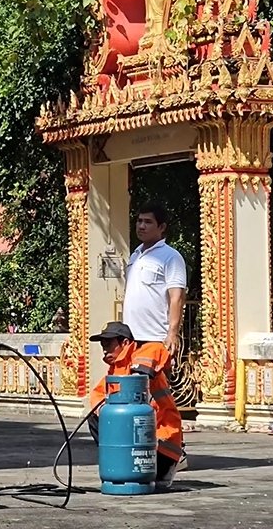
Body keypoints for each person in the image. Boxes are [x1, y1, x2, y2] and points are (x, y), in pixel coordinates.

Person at [86, 321, 185, 489]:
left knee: (131, 417)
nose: (104, 349)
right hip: (136, 450)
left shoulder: (143, 353)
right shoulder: (115, 371)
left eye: (109, 344)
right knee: (96, 418)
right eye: (103, 345)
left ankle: (165, 467)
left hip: (162, 446)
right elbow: (96, 396)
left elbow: (157, 350)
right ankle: (118, 464)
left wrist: (139, 372)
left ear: (125, 343)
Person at [123, 202, 187, 358]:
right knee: (131, 382)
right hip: (130, 338)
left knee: (156, 383)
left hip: (155, 338)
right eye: (139, 221)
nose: (141, 226)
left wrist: (172, 334)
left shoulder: (171, 257)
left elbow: (176, 298)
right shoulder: (135, 256)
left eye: (148, 222)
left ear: (162, 227)